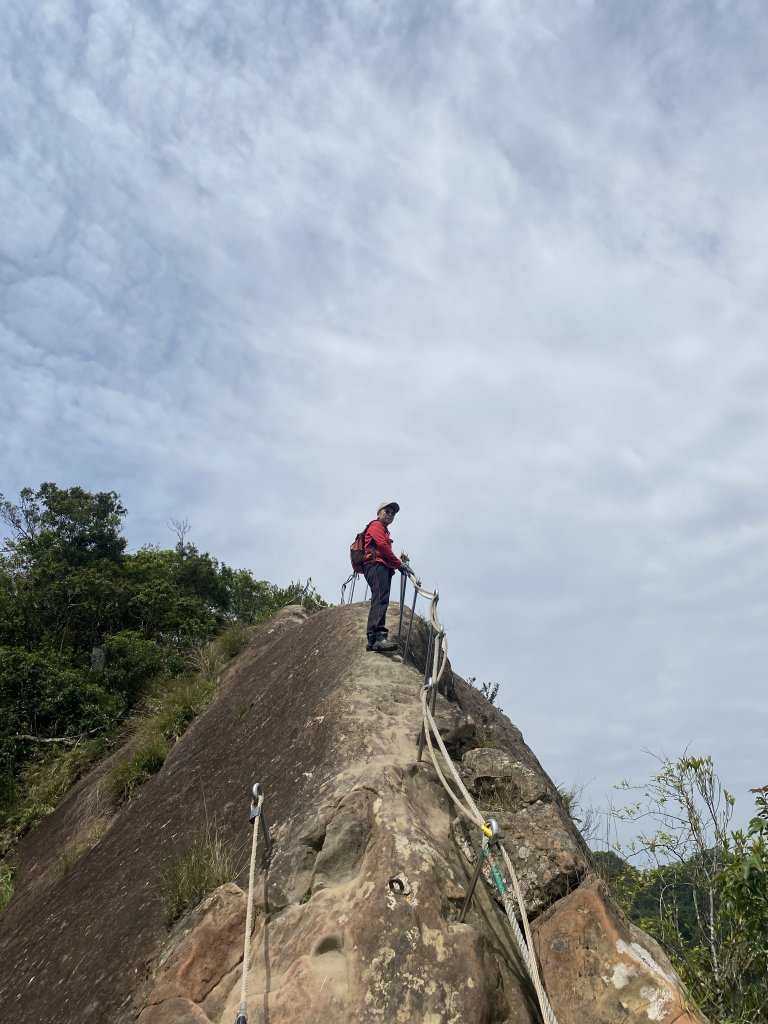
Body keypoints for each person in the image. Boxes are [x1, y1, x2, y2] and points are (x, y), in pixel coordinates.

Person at [363, 500, 415, 652]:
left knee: (380, 598)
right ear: (379, 513)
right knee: (380, 598)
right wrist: (399, 564)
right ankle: (378, 636)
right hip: (376, 565)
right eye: (387, 511)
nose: (390, 514)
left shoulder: (384, 530)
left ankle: (373, 639)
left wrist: (396, 565)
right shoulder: (376, 525)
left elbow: (383, 548)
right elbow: (382, 546)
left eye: (393, 513)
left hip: (381, 566)